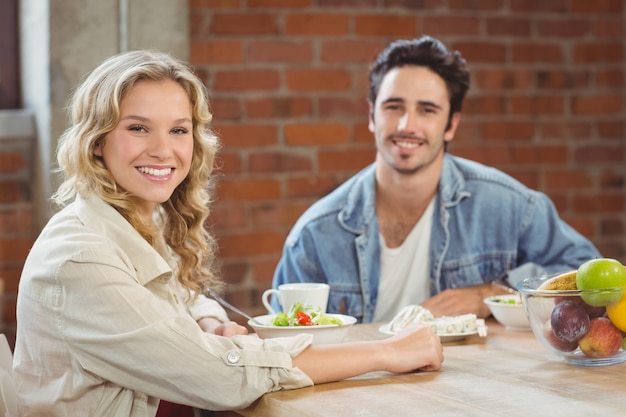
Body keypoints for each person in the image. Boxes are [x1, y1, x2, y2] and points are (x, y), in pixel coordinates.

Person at [12, 50, 444, 416]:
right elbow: (220, 377)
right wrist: (389, 353)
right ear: (96, 142)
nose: (163, 149)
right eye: (138, 127)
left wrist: (208, 321)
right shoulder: (80, 258)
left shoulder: (140, 220)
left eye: (179, 130)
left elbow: (174, 299)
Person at [271, 36, 601, 323]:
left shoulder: (508, 205)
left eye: (427, 110)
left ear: (451, 124)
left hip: (472, 388)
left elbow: (587, 272)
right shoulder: (315, 234)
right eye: (393, 107)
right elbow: (279, 341)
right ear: (371, 115)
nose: (406, 125)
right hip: (356, 390)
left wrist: (492, 294)